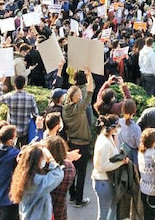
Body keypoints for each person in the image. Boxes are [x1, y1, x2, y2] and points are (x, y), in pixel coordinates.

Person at [63, 68, 94, 208]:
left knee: (71, 170)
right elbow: (90, 92)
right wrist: (89, 76)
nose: (81, 96)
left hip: (71, 142)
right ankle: (78, 199)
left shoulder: (66, 108)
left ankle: (72, 195)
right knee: (81, 173)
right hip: (82, 143)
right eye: (79, 94)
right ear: (75, 97)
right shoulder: (79, 108)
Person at [9, 144, 65, 220]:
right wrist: (50, 158)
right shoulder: (37, 181)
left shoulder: (23, 175)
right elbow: (58, 174)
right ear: (37, 160)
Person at [92, 114, 130, 220]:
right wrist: (121, 162)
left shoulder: (107, 138)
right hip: (102, 181)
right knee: (104, 213)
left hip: (106, 180)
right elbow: (104, 166)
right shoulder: (105, 143)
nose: (119, 128)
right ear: (113, 128)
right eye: (118, 126)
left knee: (112, 208)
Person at [0, 75, 38, 148]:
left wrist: (1, 83)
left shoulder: (10, 97)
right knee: (24, 150)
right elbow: (35, 113)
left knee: (12, 150)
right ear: (24, 85)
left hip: (12, 131)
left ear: (14, 85)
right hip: (25, 130)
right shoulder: (30, 97)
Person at [45, 135, 80, 220]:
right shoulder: (69, 168)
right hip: (60, 210)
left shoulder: (44, 169)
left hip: (45, 212)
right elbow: (66, 162)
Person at [118, 99, 141, 165]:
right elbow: (139, 145)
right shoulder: (136, 128)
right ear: (134, 111)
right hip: (132, 156)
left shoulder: (118, 123)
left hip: (120, 153)